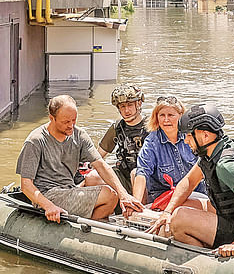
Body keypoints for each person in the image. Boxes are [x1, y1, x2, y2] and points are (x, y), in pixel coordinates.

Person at [148, 104, 234, 257]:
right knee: (181, 205)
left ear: (205, 135)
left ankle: (209, 260)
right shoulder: (216, 151)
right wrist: (167, 212)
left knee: (179, 220)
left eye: (189, 135)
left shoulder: (226, 165)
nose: (185, 141)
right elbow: (189, 182)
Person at [16, 95, 144, 223]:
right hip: (48, 194)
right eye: (66, 122)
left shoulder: (79, 135)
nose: (71, 125)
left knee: (113, 195)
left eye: (74, 120)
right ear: (52, 118)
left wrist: (124, 195)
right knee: (109, 195)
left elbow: (101, 165)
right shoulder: (35, 141)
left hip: (70, 189)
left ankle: (84, 228)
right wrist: (48, 206)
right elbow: (26, 185)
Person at [133, 96, 208, 209]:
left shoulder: (193, 137)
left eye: (171, 115)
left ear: (181, 116)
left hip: (196, 194)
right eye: (162, 115)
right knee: (134, 172)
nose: (166, 120)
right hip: (163, 197)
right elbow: (142, 172)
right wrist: (136, 204)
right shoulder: (151, 141)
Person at [95, 84, 149, 194]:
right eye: (122, 106)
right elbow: (98, 156)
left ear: (139, 103)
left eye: (129, 105)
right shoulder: (118, 127)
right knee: (92, 178)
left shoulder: (151, 125)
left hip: (147, 177)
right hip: (123, 175)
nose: (126, 110)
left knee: (136, 173)